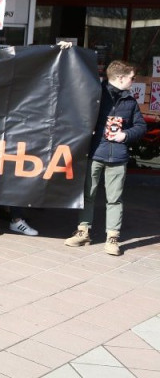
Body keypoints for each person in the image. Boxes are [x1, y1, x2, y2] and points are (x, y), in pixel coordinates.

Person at [65, 59, 145, 256]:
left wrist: (125, 135)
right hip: (94, 153)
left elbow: (141, 127)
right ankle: (83, 231)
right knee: (88, 195)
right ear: (120, 77)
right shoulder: (96, 94)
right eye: (131, 77)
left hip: (118, 157)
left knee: (114, 199)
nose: (133, 81)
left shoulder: (130, 101)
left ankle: (112, 238)